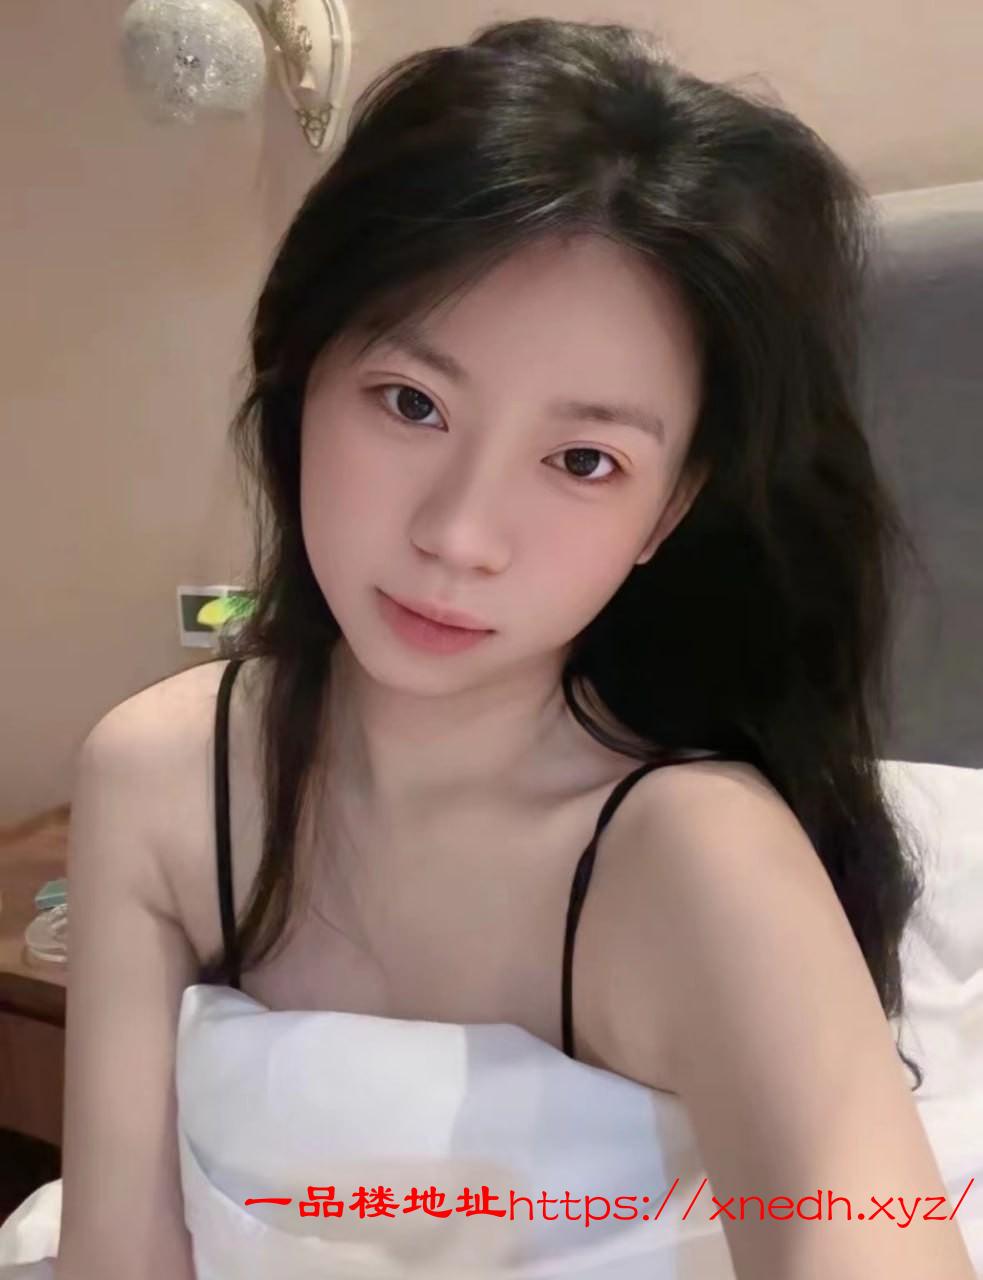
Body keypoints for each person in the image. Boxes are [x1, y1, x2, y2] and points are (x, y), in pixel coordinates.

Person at [4, 15, 976, 1280]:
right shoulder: (160, 779)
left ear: (667, 511)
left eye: (582, 460)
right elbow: (119, 1256)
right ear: (300, 381)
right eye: (411, 402)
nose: (458, 535)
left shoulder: (696, 859)